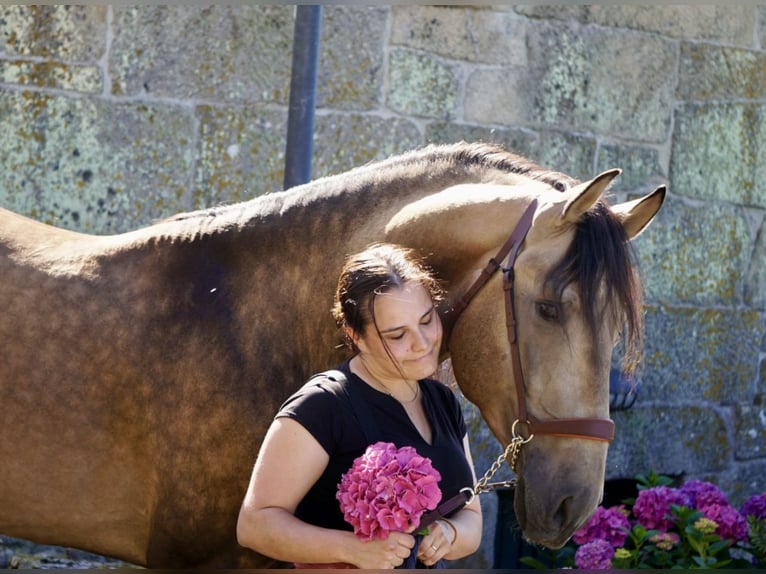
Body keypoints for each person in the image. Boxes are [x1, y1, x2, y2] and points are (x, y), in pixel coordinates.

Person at [237, 243, 482, 569]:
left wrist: (448, 533)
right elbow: (254, 525)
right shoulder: (323, 405)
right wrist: (352, 549)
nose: (422, 343)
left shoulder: (442, 401)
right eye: (397, 335)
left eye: (426, 320)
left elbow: (472, 517)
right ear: (357, 336)